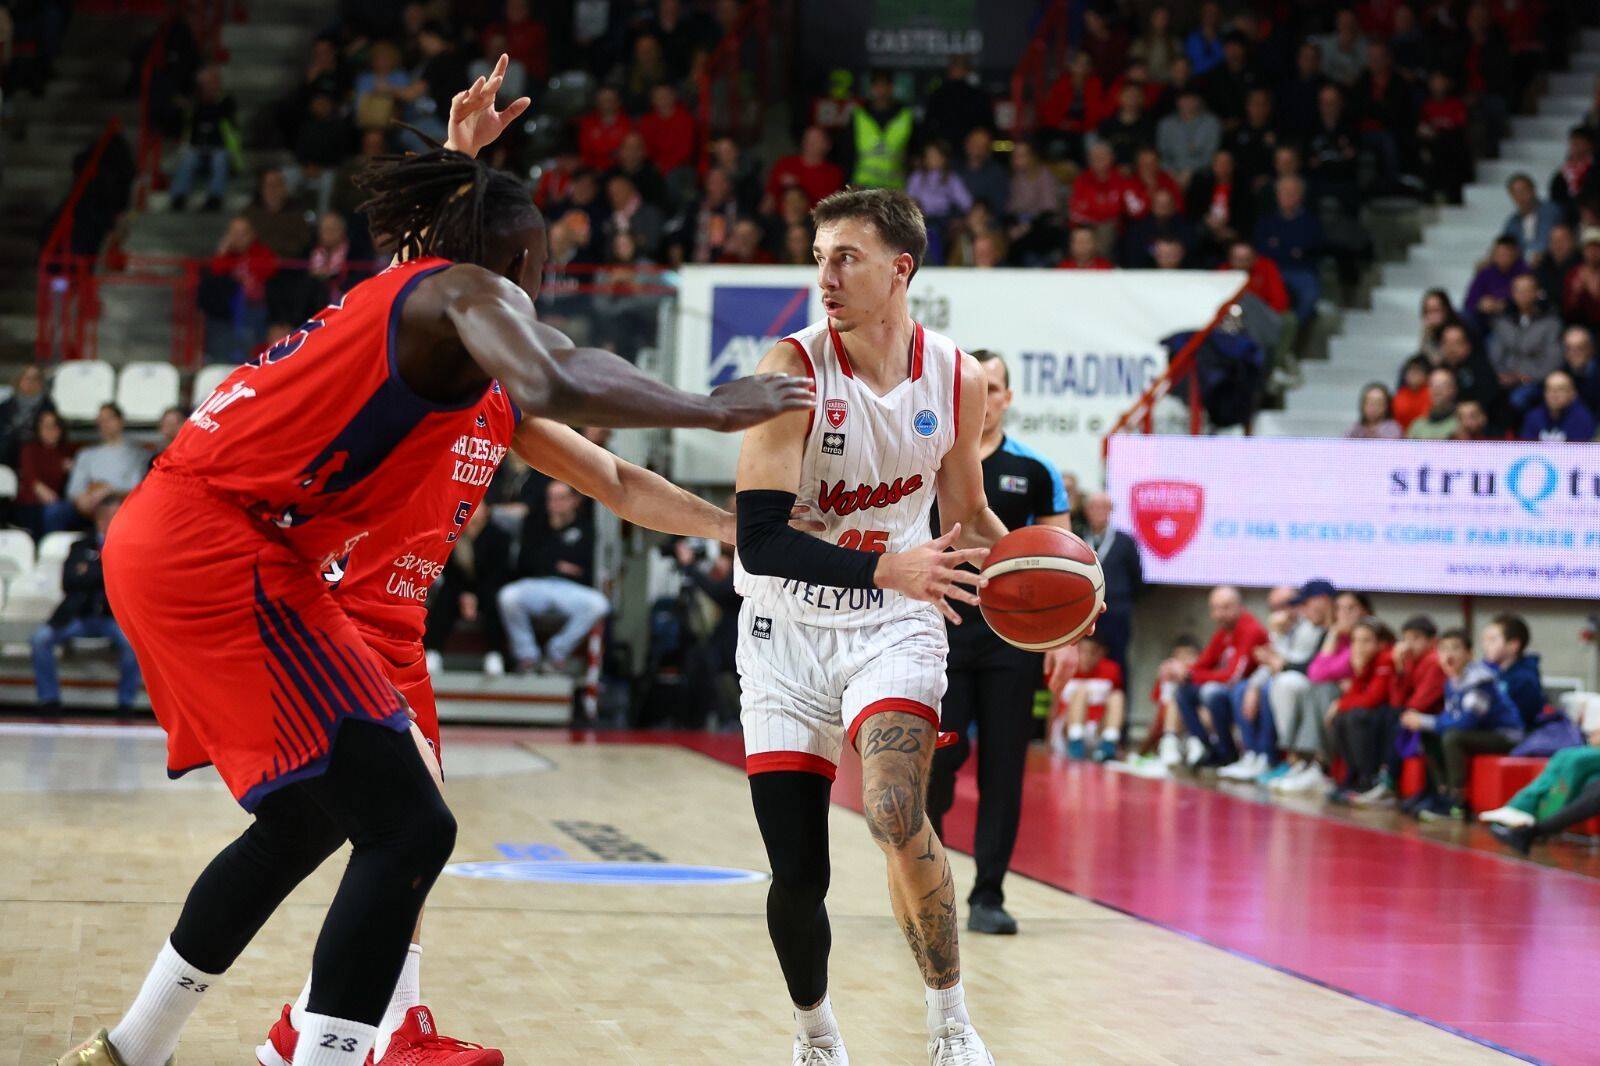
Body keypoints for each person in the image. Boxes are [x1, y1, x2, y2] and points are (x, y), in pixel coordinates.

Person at [55, 62, 810, 1066]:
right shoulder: (449, 298)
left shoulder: (436, 328)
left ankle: (134, 1047)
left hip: (213, 544)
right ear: (501, 266)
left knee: (310, 825)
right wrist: (714, 406)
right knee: (410, 829)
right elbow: (540, 350)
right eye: (532, 267)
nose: (536, 290)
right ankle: (327, 1050)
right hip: (234, 552)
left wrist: (742, 531)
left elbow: (617, 481)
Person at [732, 186, 1059, 1064]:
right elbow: (759, 542)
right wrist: (889, 562)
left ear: (899, 268)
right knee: (800, 873)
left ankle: (951, 1023)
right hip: (785, 632)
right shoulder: (792, 368)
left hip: (894, 621)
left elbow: (968, 510)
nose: (825, 275)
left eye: (846, 257)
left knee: (891, 806)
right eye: (819, 256)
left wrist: (1060, 568)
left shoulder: (952, 372)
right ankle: (816, 1034)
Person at [926, 348, 1073, 939]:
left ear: (1006, 398)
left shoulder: (1035, 471)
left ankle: (988, 895)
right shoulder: (933, 460)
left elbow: (1063, 563)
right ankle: (928, 885)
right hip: (942, 626)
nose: (984, 398)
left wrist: (1063, 636)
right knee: (938, 758)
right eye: (975, 387)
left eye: (994, 388)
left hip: (1012, 636)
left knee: (1005, 769)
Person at [31, 495, 141, 712]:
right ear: (100, 521)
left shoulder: (131, 546)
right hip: (77, 616)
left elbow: (132, 581)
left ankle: (125, 703)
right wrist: (105, 572)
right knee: (39, 639)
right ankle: (49, 699)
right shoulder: (80, 546)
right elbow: (69, 581)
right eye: (113, 517)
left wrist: (90, 571)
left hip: (113, 617)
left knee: (134, 644)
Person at [1405, 627, 1526, 822]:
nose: (1449, 655)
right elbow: (1449, 716)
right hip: (1480, 732)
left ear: (1469, 654)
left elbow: (1464, 723)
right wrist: (1425, 723)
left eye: (1455, 648)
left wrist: (1426, 721)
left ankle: (1456, 802)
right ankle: (1440, 792)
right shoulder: (1452, 680)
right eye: (1443, 650)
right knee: (1428, 734)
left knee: (1452, 737)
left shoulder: (1479, 681)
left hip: (1506, 736)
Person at [496, 480, 606, 674]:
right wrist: (558, 564)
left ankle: (557, 653)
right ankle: (527, 655)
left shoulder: (586, 527)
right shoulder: (535, 523)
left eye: (561, 498)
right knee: (508, 597)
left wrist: (551, 561)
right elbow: (525, 561)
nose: (555, 503)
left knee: (598, 604)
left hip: (569, 588)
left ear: (575, 500)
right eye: (551, 498)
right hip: (538, 584)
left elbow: (584, 567)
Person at [1173, 585, 1270, 768]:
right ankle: (1209, 748)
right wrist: (1183, 671)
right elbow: (1202, 663)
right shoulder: (1224, 632)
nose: (1219, 614)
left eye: (1225, 608)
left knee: (1211, 693)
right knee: (1183, 691)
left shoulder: (1251, 630)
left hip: (1247, 690)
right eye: (1215, 608)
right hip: (1233, 689)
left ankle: (1231, 752)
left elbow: (1233, 677)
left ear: (1239, 606)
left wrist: (1192, 674)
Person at [42, 403, 145, 534]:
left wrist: (107, 490)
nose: (105, 424)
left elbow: (135, 486)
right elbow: (74, 489)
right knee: (55, 511)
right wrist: (81, 499)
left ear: (120, 421)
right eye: (101, 420)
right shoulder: (86, 454)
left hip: (120, 504)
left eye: (109, 419)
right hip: (88, 505)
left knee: (113, 508)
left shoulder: (136, 454)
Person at [1323, 617, 1395, 802]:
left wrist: (1340, 704)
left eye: (1366, 640)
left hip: (1390, 714)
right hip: (1376, 713)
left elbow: (1373, 698)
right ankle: (1352, 775)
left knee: (1356, 716)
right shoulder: (1363, 661)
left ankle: (1369, 778)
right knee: (1341, 719)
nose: (1359, 646)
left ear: (1381, 643)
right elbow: (1356, 693)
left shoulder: (1386, 658)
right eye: (1355, 640)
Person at [1078, 490, 1140, 688]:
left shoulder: (1125, 541)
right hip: (1082, 611)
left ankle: (1120, 715)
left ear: (1111, 510)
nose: (1098, 512)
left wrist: (1123, 598)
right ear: (1086, 511)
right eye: (1093, 507)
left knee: (1118, 660)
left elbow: (1137, 579)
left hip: (1116, 611)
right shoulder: (1076, 538)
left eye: (1103, 507)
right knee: (1082, 659)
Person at [1490, 274, 1562, 413]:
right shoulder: (1503, 321)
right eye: (1518, 290)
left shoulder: (1551, 322)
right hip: (1505, 378)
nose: (1522, 295)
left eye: (1527, 290)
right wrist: (1502, 374)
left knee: (1518, 399)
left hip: (1536, 381)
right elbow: (1494, 353)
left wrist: (1524, 377)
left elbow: (1553, 360)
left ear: (1537, 293)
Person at [1052, 634, 1124, 761]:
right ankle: (1075, 742)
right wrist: (1048, 742)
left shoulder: (1111, 670)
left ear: (1101, 653)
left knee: (1117, 696)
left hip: (1095, 729)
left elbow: (1114, 708)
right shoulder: (1065, 669)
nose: (1087, 657)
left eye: (1093, 652)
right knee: (1081, 692)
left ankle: (1109, 743)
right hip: (1068, 729)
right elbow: (1054, 705)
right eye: (1083, 652)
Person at [15, 408, 74, 538]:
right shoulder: (30, 449)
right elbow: (33, 480)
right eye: (45, 426)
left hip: (58, 502)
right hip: (31, 504)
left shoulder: (66, 451)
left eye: (54, 426)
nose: (50, 430)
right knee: (55, 511)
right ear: (38, 428)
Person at [1521, 368, 1598, 442]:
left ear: (1573, 393)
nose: (1554, 394)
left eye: (1560, 389)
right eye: (1549, 389)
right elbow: (1527, 450)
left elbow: (1581, 453)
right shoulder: (1533, 417)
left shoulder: (1583, 419)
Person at [0, 363, 53, 466]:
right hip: (8, 452)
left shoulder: (48, 407)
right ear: (19, 380)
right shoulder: (5, 407)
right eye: (27, 378)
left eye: (35, 378)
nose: (31, 382)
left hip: (36, 451)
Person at [1405, 367, 1460, 440]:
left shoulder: (1462, 423)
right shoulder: (1417, 425)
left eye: (1442, 385)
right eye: (1433, 385)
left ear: (1453, 389)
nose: (1436, 390)